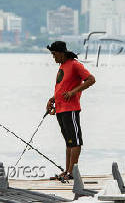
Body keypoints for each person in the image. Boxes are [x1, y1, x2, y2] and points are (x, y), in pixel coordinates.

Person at [46, 41, 96, 181]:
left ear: (62, 53)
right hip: (61, 109)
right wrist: (52, 100)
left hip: (71, 109)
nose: (53, 57)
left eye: (54, 54)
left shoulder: (75, 64)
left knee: (75, 141)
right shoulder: (62, 66)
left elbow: (91, 80)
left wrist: (73, 92)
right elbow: (62, 88)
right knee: (68, 142)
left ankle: (73, 172)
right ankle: (67, 171)